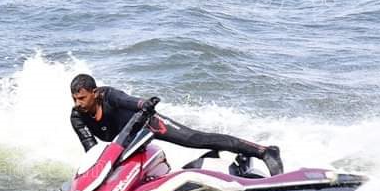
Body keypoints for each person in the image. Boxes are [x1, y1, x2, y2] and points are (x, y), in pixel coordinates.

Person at [69, 74, 283, 175]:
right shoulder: (77, 117)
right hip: (127, 143)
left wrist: (145, 105)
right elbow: (92, 151)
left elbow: (129, 101)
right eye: (75, 99)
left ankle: (264, 151)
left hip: (148, 124)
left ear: (94, 93)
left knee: (195, 139)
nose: (78, 104)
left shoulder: (108, 95)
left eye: (82, 98)